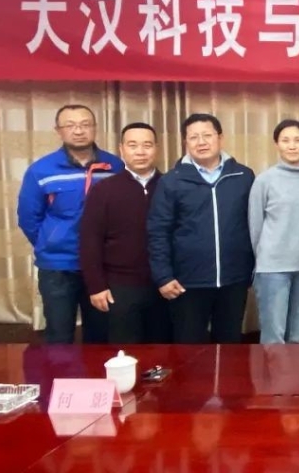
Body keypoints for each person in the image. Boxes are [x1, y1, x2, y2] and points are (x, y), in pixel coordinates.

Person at [17, 104, 123, 344]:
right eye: (70, 125)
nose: (79, 131)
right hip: (58, 267)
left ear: (95, 128)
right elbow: (28, 218)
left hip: (103, 265)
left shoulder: (115, 166)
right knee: (59, 335)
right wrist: (52, 241)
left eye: (85, 124)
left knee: (101, 335)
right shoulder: (41, 170)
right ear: (58, 131)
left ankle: (97, 371)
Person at [147, 113, 255, 344]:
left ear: (220, 138)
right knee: (189, 348)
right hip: (187, 282)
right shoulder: (171, 181)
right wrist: (163, 276)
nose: (201, 142)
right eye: (193, 137)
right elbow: (158, 232)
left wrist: (252, 268)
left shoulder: (243, 176)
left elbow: (254, 226)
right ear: (185, 142)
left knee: (230, 345)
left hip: (234, 279)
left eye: (207, 135)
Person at [79, 122, 171, 344]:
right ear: (121, 149)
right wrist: (96, 285)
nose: (140, 152)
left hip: (165, 285)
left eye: (147, 145)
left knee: (163, 351)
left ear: (156, 148)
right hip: (119, 287)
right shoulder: (104, 190)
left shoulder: (171, 186)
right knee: (125, 351)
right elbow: (90, 240)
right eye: (133, 145)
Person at [249, 120, 299, 344]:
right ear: (276, 144)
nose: (292, 145)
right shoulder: (265, 180)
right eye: (285, 140)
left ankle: (295, 371)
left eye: (298, 140)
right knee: (274, 338)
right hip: (273, 269)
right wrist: (265, 257)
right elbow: (255, 226)